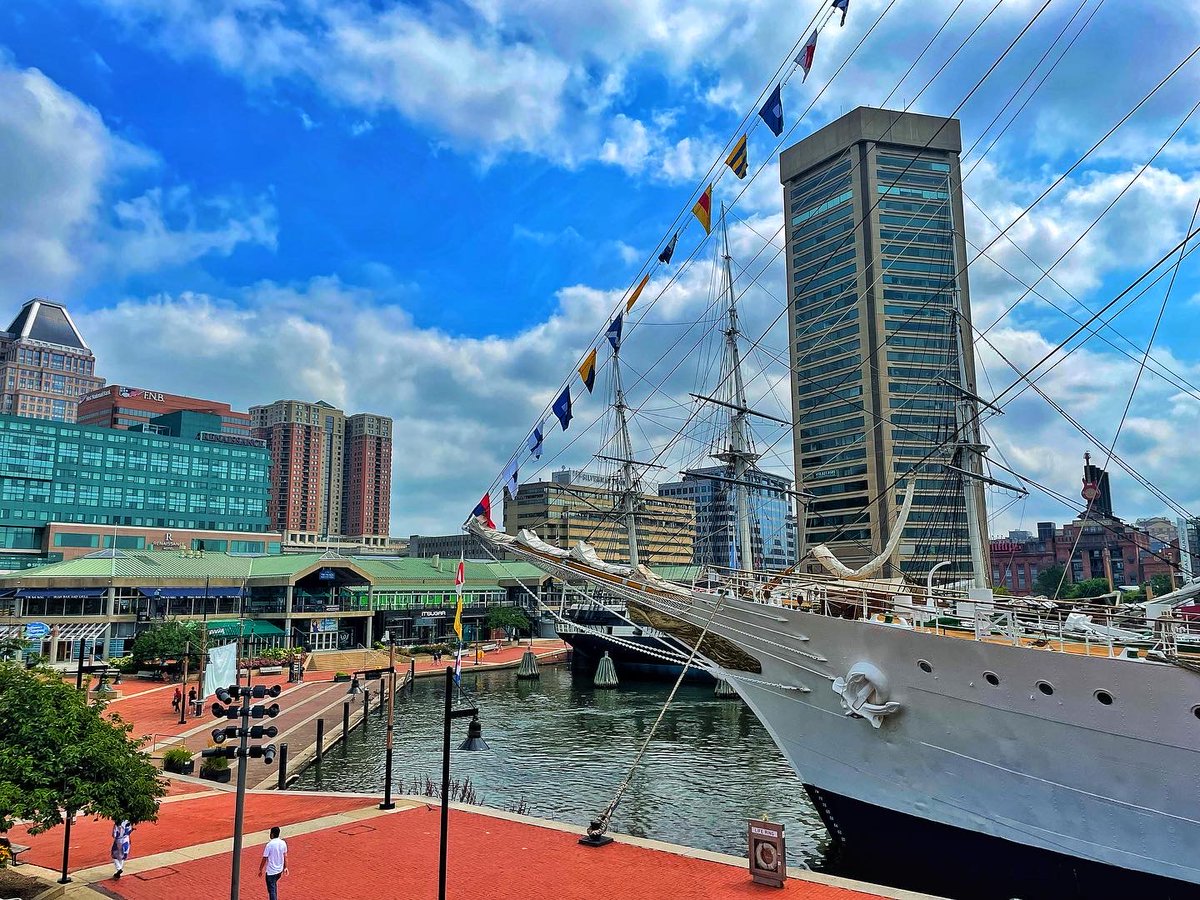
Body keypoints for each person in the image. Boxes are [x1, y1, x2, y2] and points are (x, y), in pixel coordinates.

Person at [258, 826, 288, 900]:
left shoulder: (269, 845)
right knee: (273, 887)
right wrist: (285, 867)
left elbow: (264, 858)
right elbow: (285, 856)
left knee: (271, 890)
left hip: (271, 872)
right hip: (279, 871)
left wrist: (260, 869)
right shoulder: (283, 843)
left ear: (272, 834)